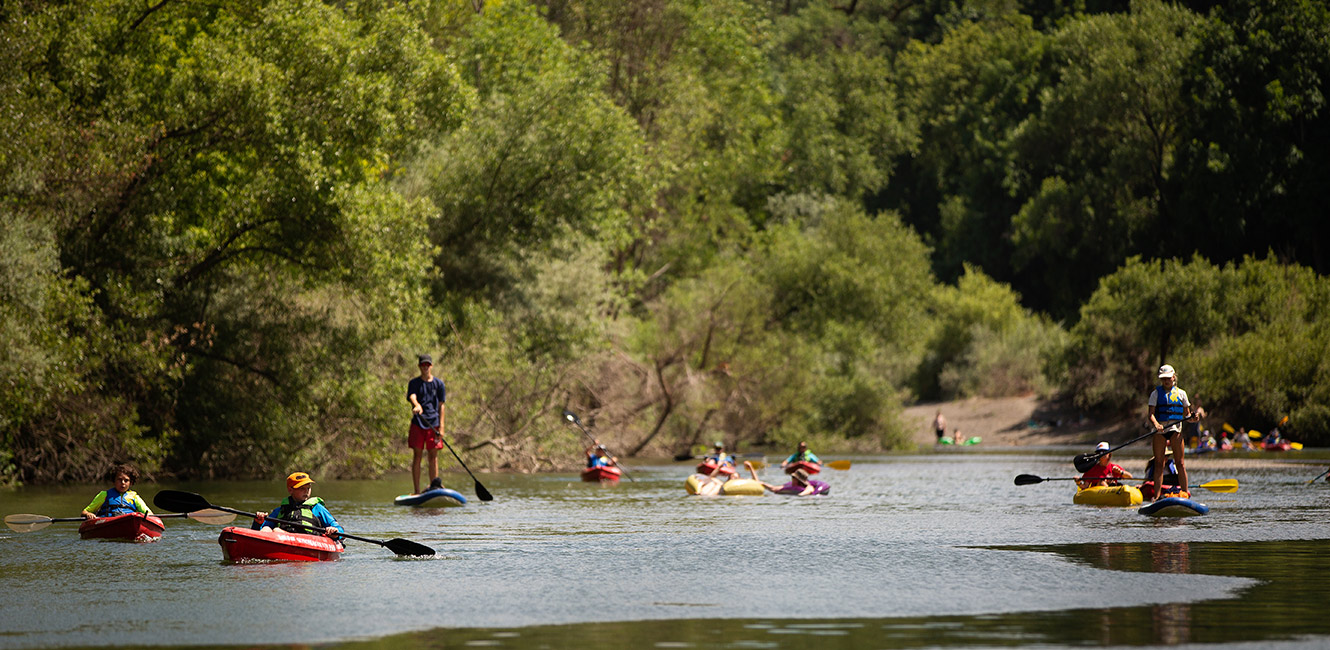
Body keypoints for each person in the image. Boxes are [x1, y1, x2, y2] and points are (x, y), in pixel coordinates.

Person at [1147, 364, 1197, 501]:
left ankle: (1185, 493)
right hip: (1160, 432)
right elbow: (1151, 414)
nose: (1166, 381)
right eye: (1163, 379)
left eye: (1168, 378)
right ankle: (1157, 496)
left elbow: (1187, 416)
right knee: (1159, 463)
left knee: (1180, 463)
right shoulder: (1155, 394)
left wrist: (1194, 419)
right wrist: (1156, 424)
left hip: (1176, 431)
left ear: (1173, 377)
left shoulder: (1181, 394)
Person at [252, 472, 343, 539]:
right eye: (301, 488)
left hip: (308, 541)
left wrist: (334, 531)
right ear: (290, 490)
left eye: (308, 488)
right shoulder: (280, 511)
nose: (306, 491)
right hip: (283, 538)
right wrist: (258, 522)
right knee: (267, 528)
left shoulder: (317, 508)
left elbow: (339, 529)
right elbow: (259, 531)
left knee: (276, 530)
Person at [407, 353, 447, 495]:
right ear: (419, 366)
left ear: (431, 366)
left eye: (427, 365)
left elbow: (441, 405)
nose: (425, 367)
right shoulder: (414, 383)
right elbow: (412, 395)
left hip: (434, 424)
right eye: (423, 365)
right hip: (419, 423)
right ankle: (417, 491)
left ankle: (434, 487)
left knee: (433, 455)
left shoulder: (439, 384)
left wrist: (441, 427)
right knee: (417, 455)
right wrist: (416, 405)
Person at [81, 463, 153, 520]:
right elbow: (84, 512)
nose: (123, 483)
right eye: (119, 479)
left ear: (131, 482)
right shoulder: (104, 495)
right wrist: (88, 514)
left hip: (129, 522)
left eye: (126, 480)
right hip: (108, 523)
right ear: (114, 481)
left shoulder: (135, 497)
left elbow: (149, 513)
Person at [745, 461, 826, 496]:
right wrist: (762, 483)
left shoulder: (807, 487)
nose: (792, 479)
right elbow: (773, 488)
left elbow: (810, 490)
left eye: (793, 478)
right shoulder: (789, 486)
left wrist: (800, 495)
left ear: (798, 480)